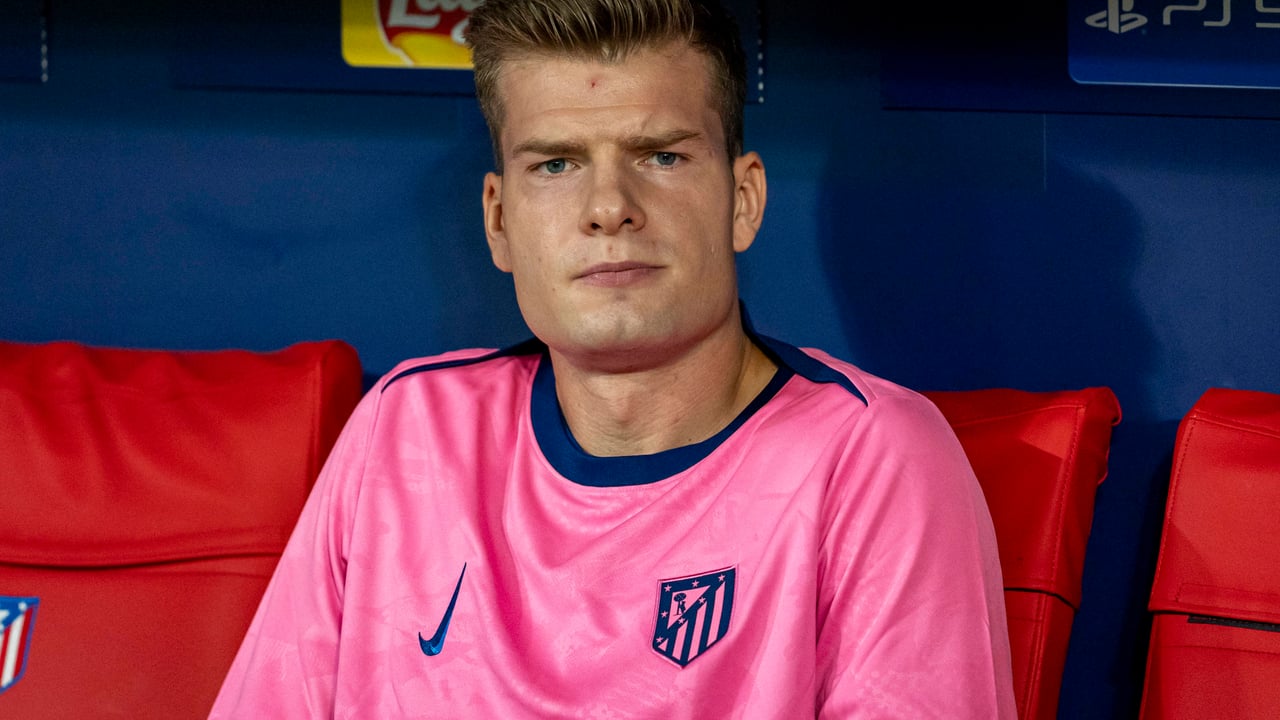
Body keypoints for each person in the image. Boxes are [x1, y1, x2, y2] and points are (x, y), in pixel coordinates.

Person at [210, 0, 1016, 717]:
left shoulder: (871, 458)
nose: (608, 208)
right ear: (499, 220)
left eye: (661, 156)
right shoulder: (406, 430)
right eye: (556, 164)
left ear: (742, 201)